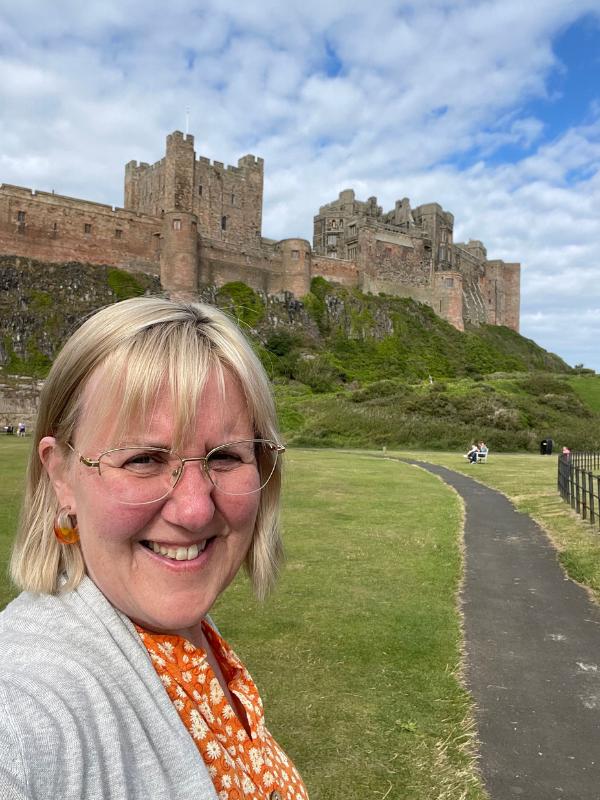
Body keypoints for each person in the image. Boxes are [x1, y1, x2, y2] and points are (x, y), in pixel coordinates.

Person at [0, 297, 308, 800]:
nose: (194, 510)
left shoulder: (189, 643)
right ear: (62, 475)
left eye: (226, 456)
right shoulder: (27, 694)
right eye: (143, 459)